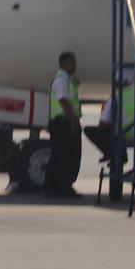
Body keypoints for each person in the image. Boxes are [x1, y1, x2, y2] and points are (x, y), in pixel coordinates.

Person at [43, 51, 82, 197]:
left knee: (70, 155)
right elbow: (63, 101)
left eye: (74, 63)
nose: (74, 66)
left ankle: (64, 185)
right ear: (62, 64)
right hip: (62, 122)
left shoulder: (68, 80)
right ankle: (52, 187)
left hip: (66, 121)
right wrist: (73, 121)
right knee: (60, 156)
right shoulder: (61, 81)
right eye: (71, 63)